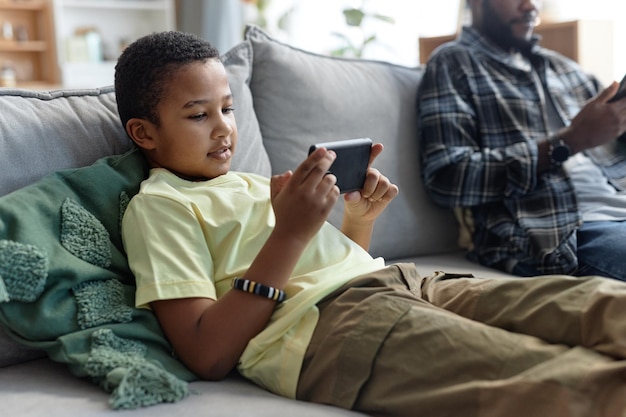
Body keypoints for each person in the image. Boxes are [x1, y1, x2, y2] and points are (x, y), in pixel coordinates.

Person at [118, 30, 626, 416]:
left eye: (227, 108)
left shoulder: (250, 184)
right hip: (329, 328)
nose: (225, 128)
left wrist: (356, 223)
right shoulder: (159, 206)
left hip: (406, 282)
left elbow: (336, 268)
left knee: (597, 304)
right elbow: (207, 352)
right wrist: (290, 231)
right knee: (567, 380)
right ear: (144, 132)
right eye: (198, 115)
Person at [417, 0, 626, 280]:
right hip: (559, 234)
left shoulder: (564, 69)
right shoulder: (453, 63)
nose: (530, 6)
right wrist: (569, 142)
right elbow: (447, 178)